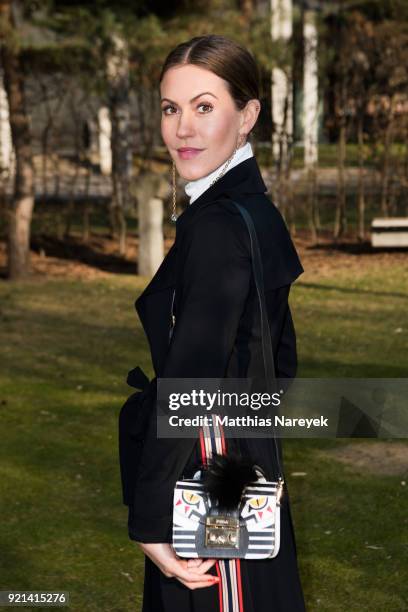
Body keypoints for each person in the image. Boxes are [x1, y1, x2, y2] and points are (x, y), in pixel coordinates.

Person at [119, 34, 306, 612]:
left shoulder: (222, 225)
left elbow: (193, 379)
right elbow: (282, 357)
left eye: (205, 107)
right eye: (171, 109)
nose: (183, 129)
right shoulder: (251, 210)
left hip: (211, 491)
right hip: (237, 474)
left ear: (248, 115)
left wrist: (152, 518)